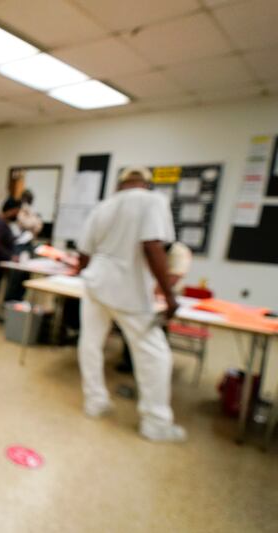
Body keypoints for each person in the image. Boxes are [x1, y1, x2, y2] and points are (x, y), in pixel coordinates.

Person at [76, 167, 186, 442]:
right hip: (128, 288)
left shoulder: (103, 207)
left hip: (96, 283)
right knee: (155, 354)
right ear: (147, 184)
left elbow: (84, 254)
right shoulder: (153, 201)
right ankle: (156, 422)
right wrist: (170, 296)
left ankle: (95, 401)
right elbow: (152, 245)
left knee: (90, 344)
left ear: (119, 184)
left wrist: (90, 277)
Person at [116, 241, 193, 373]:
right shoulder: (144, 247)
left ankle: (153, 366)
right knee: (132, 327)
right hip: (144, 294)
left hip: (166, 295)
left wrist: (154, 292)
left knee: (156, 330)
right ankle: (130, 362)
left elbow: (172, 279)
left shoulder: (179, 252)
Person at [5, 189, 43, 302]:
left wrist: (33, 221)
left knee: (26, 275)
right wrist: (33, 221)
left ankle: (20, 299)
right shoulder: (20, 211)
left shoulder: (31, 212)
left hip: (29, 245)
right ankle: (10, 301)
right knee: (15, 276)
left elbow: (38, 227)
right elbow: (29, 224)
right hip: (19, 245)